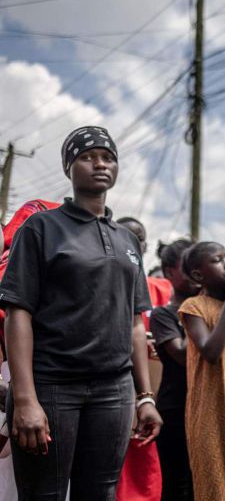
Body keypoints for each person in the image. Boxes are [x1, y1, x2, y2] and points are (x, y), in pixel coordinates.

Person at [0, 126, 162, 499]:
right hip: (52, 385)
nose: (99, 164)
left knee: (100, 492)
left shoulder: (127, 240)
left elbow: (135, 324)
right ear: (68, 167)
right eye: (87, 157)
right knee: (45, 492)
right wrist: (25, 398)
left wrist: (144, 397)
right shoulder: (41, 227)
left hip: (113, 391)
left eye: (108, 157)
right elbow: (17, 313)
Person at [179, 242, 225, 501]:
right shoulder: (194, 306)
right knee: (215, 477)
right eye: (218, 260)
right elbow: (210, 352)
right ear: (198, 275)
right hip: (211, 407)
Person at [116, 216, 168, 501]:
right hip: (114, 385)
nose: (134, 242)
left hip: (152, 391)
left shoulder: (161, 288)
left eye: (140, 237)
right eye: (127, 235)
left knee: (144, 471)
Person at [150, 239, 199, 501]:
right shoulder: (163, 315)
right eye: (188, 266)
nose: (196, 272)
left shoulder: (213, 309)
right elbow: (181, 354)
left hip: (206, 410)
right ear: (169, 272)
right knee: (177, 485)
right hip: (176, 412)